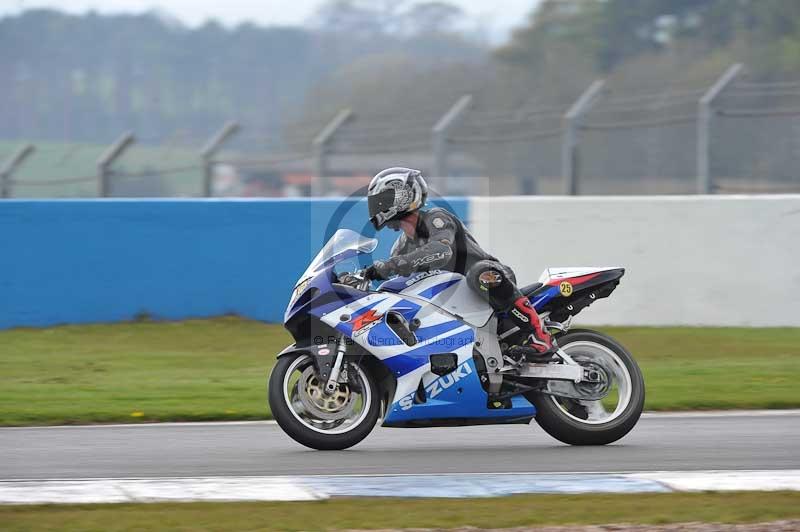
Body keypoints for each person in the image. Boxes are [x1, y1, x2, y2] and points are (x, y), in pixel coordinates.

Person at [363, 167, 553, 356]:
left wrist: (390, 266)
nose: (378, 204)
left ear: (404, 196)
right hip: (454, 301)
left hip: (489, 279)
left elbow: (441, 251)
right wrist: (362, 278)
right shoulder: (401, 247)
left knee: (480, 274)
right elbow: (397, 276)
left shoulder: (436, 218)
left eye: (385, 198)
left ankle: (539, 335)